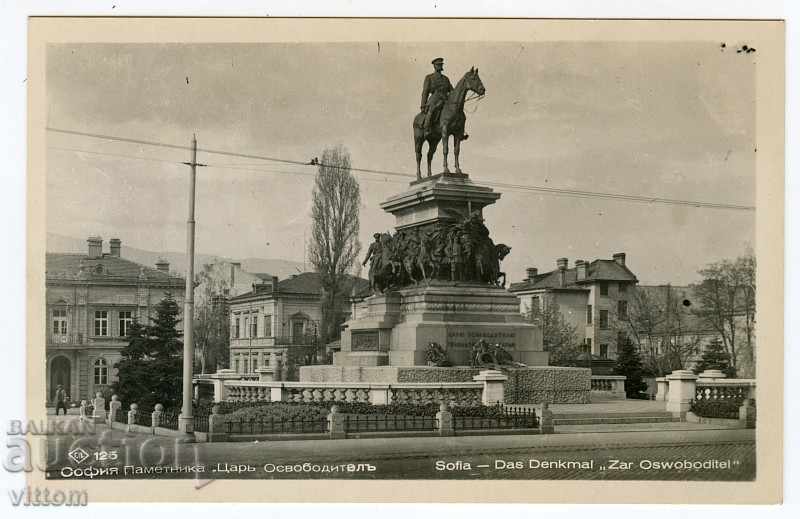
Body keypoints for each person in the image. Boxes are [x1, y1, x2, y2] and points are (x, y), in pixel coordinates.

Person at [420, 57, 453, 137]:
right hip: (434, 99)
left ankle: (459, 131)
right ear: (434, 66)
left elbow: (452, 90)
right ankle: (426, 129)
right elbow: (425, 92)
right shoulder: (429, 77)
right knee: (432, 110)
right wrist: (423, 105)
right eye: (438, 65)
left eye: (441, 64)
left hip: (445, 99)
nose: (440, 66)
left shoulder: (446, 79)